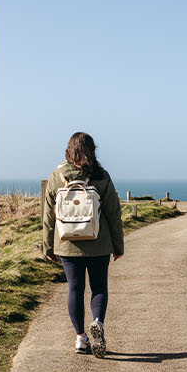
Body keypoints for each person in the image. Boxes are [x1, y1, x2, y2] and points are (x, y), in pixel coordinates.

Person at [41, 132, 124, 357]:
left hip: (68, 244)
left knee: (75, 289)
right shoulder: (101, 176)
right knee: (99, 288)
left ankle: (80, 338)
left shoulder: (56, 176)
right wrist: (118, 245)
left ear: (69, 150)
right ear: (92, 150)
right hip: (99, 243)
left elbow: (48, 216)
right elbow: (114, 213)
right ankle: (98, 322)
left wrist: (47, 247)